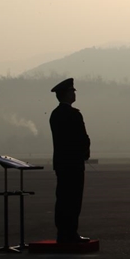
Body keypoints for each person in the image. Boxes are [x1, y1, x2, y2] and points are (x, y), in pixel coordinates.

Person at [49, 77, 91, 244]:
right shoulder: (73, 115)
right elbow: (81, 139)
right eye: (72, 91)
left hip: (62, 163)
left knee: (63, 198)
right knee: (73, 200)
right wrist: (84, 151)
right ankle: (71, 233)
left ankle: (63, 232)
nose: (74, 93)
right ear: (66, 94)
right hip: (73, 163)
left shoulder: (55, 114)